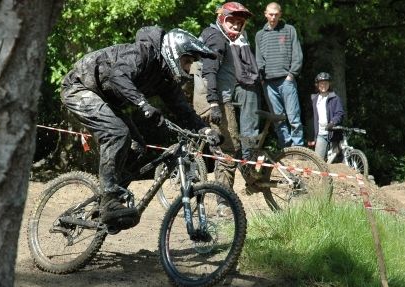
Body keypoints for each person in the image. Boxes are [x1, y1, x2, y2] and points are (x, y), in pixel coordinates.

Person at [60, 27, 219, 230]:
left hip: (104, 99)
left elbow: (183, 110)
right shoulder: (143, 53)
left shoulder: (166, 79)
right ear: (175, 51)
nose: (188, 67)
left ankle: (108, 202)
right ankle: (109, 198)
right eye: (187, 61)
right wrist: (143, 104)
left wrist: (205, 131)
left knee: (137, 148)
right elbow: (118, 76)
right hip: (79, 87)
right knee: (117, 133)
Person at [193, 2, 259, 214]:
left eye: (240, 23)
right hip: (217, 101)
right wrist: (213, 104)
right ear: (221, 18)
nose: (237, 26)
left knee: (222, 146)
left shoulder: (215, 35)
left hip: (215, 98)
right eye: (232, 20)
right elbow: (210, 72)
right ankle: (223, 204)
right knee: (228, 149)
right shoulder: (217, 38)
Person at [255, 2, 304, 148]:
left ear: (280, 14)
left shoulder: (289, 30)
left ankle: (298, 150)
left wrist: (292, 75)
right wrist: (262, 79)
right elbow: (259, 59)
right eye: (270, 14)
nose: (273, 17)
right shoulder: (259, 35)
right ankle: (286, 150)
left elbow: (297, 55)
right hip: (268, 83)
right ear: (265, 14)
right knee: (277, 120)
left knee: (294, 118)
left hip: (286, 80)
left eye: (276, 14)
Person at [309, 72, 345, 160]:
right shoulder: (314, 99)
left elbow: (340, 113)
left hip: (334, 134)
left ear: (329, 84)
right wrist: (311, 137)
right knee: (318, 160)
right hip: (320, 134)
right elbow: (312, 118)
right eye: (321, 83)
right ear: (317, 85)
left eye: (326, 83)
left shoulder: (335, 98)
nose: (323, 85)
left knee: (335, 161)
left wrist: (332, 122)